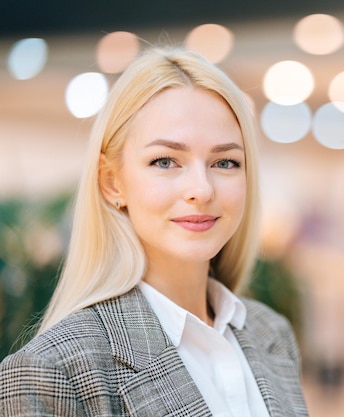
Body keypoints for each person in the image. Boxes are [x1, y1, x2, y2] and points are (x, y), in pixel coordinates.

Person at [0, 46, 309, 417]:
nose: (202, 189)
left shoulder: (270, 333)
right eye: (165, 161)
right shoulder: (54, 371)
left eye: (225, 162)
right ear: (112, 182)